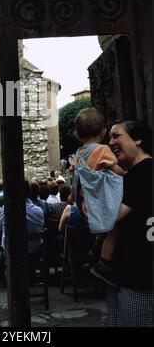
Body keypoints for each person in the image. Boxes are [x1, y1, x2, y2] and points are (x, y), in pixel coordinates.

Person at [106, 120, 153, 327]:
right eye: (109, 137)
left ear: (137, 139)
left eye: (116, 135)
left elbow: (109, 218)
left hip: (139, 278)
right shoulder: (137, 173)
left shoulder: (142, 172)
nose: (111, 142)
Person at [71, 108, 125, 284]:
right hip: (101, 202)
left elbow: (76, 173)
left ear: (77, 135)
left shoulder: (78, 154)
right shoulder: (103, 150)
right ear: (104, 132)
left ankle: (97, 244)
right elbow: (116, 170)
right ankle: (104, 262)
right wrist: (128, 172)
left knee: (105, 229)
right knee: (114, 229)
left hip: (86, 203)